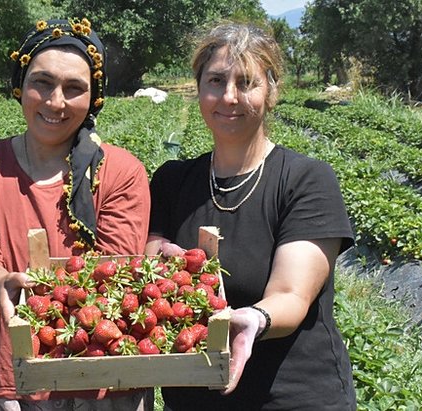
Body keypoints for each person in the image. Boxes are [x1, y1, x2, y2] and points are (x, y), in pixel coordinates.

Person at [0, 18, 153, 411]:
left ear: (94, 98)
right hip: (2, 375)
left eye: (74, 89)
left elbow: (116, 268)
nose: (56, 101)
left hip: (101, 378)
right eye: (42, 82)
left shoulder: (121, 172)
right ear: (20, 85)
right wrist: (1, 283)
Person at [145, 21, 357, 410]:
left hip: (291, 398)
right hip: (192, 396)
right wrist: (159, 256)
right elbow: (151, 250)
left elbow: (291, 295)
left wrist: (254, 319)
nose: (228, 97)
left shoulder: (305, 180)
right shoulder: (172, 181)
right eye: (215, 81)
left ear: (272, 91)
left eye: (246, 83)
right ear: (198, 90)